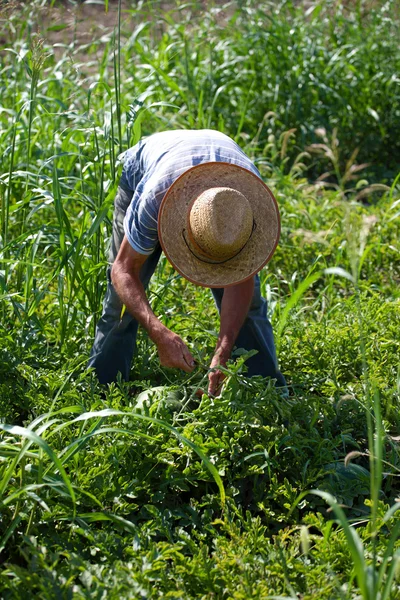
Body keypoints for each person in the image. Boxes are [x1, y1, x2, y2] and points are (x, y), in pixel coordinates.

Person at [88, 129, 286, 396]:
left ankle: (264, 391)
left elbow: (242, 279)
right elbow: (123, 270)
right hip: (151, 165)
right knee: (120, 305)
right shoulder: (154, 200)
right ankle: (103, 389)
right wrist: (159, 332)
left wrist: (223, 351)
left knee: (249, 306)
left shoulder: (245, 207)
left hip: (217, 160)